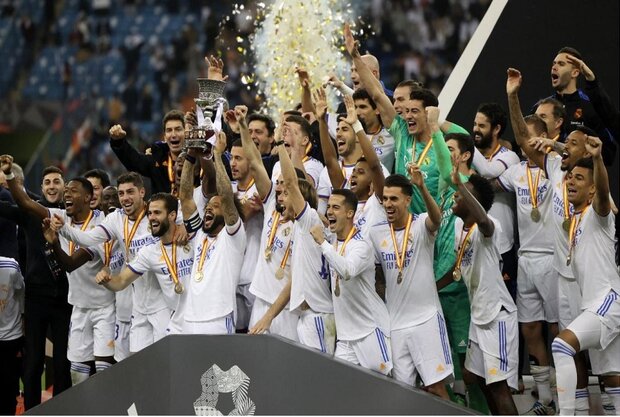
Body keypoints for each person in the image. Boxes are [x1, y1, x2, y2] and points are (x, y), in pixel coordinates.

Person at [508, 67, 596, 414]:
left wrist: (560, 144)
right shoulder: (555, 169)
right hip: (553, 265)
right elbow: (522, 138)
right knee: (557, 341)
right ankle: (557, 403)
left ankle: (586, 406)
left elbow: (587, 152)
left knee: (576, 344)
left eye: (571, 143)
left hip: (579, 273)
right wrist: (513, 96)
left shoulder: (591, 177)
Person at [5, 169, 115, 385]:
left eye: (73, 191)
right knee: (77, 374)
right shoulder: (61, 216)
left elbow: (70, 264)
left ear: (88, 197)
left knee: (103, 369)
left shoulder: (101, 226)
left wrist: (55, 241)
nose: (67, 195)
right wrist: (9, 175)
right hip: (79, 306)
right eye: (66, 191)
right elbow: (26, 203)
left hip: (103, 307)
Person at [53, 172, 169, 355]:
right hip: (137, 304)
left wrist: (182, 228)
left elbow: (179, 218)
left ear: (142, 192)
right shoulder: (116, 219)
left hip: (163, 302)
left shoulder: (155, 213)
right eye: (121, 193)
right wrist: (64, 228)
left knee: (164, 359)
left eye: (130, 192)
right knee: (139, 363)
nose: (125, 198)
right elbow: (88, 238)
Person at [441, 170, 518, 415]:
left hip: (497, 316)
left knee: (498, 386)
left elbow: (483, 221)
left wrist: (461, 185)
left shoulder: (488, 226)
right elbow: (457, 268)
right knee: (473, 376)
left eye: (463, 193)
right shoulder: (458, 227)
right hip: (479, 315)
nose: (456, 195)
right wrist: (431, 287)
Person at [552, 138, 620, 415]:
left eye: (579, 178)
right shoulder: (575, 218)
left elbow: (603, 193)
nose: (570, 181)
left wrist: (598, 159)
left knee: (561, 345)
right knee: (612, 377)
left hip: (608, 302)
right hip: (593, 304)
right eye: (570, 177)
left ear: (591, 189)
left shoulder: (597, 214)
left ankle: (566, 414)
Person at [369, 172, 453, 398]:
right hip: (396, 325)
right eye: (385, 199)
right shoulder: (376, 232)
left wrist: (422, 187)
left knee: (436, 388)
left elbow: (436, 219)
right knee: (402, 393)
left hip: (426, 319)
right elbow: (378, 276)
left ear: (407, 200)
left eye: (394, 199)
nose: (388, 204)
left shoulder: (421, 225)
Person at [497, 111, 558, 415]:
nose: (524, 145)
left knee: (558, 331)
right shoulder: (515, 172)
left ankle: (569, 396)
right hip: (526, 259)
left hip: (553, 258)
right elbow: (487, 179)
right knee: (530, 329)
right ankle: (545, 398)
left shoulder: (556, 167)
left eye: (529, 138)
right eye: (521, 140)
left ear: (543, 139)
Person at [0, 163, 71, 410]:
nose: (52, 186)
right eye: (47, 182)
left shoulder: (73, 214)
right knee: (32, 364)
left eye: (56, 181)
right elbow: (5, 207)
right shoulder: (30, 212)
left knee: (62, 363)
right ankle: (32, 412)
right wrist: (8, 179)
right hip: (36, 298)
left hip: (66, 299)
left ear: (64, 186)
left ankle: (61, 412)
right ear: (41, 188)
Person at [310, 189, 391, 375]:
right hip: (346, 337)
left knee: (383, 387)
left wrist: (322, 243)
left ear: (350, 213)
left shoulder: (361, 245)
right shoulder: (334, 242)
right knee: (339, 385)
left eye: (336, 207)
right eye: (329, 207)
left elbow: (347, 270)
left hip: (370, 330)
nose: (330, 211)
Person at [95, 193, 193, 335]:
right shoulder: (149, 252)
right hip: (177, 321)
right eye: (150, 213)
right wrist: (106, 281)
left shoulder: (192, 238)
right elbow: (121, 281)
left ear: (172, 215)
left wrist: (187, 226)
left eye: (157, 213)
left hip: (200, 316)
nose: (151, 217)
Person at [178, 133, 246, 335]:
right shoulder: (200, 234)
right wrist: (190, 156)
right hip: (190, 317)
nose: (208, 208)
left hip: (219, 317)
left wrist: (217, 155)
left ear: (227, 212)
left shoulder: (233, 237)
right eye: (208, 205)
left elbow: (226, 196)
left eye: (215, 206)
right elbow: (185, 197)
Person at [276, 130, 335, 354]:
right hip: (309, 315)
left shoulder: (309, 219)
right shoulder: (305, 225)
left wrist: (281, 145)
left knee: (320, 374)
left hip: (318, 316)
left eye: (286, 194)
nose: (281, 199)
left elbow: (292, 182)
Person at [470, 102, 520, 300]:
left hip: (503, 245)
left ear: (496, 129)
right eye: (475, 124)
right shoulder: (470, 158)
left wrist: (464, 143)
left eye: (482, 126)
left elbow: (488, 171)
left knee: (505, 302)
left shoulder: (510, 157)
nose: (475, 130)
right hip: (474, 242)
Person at [539, 47, 616, 165]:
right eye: (554, 63)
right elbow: (525, 140)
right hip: (544, 172)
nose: (554, 67)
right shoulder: (541, 107)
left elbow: (609, 153)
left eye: (561, 64)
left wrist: (582, 158)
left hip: (578, 173)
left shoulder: (590, 106)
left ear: (575, 72)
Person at [109, 110, 186, 195]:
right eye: (169, 130)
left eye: (178, 129)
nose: (173, 134)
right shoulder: (157, 159)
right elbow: (134, 161)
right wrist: (118, 141)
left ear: (186, 133)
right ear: (164, 136)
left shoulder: (195, 159)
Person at [229, 138, 262, 332]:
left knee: (254, 336)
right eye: (231, 157)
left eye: (238, 158)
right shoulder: (228, 190)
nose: (232, 163)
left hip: (254, 276)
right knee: (235, 336)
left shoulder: (261, 190)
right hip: (232, 275)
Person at [269, 114, 324, 188]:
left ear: (304, 140)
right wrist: (279, 142)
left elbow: (305, 188)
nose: (284, 136)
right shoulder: (277, 165)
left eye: (291, 132)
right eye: (284, 131)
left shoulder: (314, 165)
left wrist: (294, 147)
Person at [0, 256, 24, 415]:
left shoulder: (11, 266)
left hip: (11, 336)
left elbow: (22, 293)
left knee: (8, 390)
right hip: (11, 335)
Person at [352, 88, 395, 172]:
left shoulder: (391, 135)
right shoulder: (350, 135)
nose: (357, 112)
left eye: (362, 107)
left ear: (377, 110)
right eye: (355, 107)